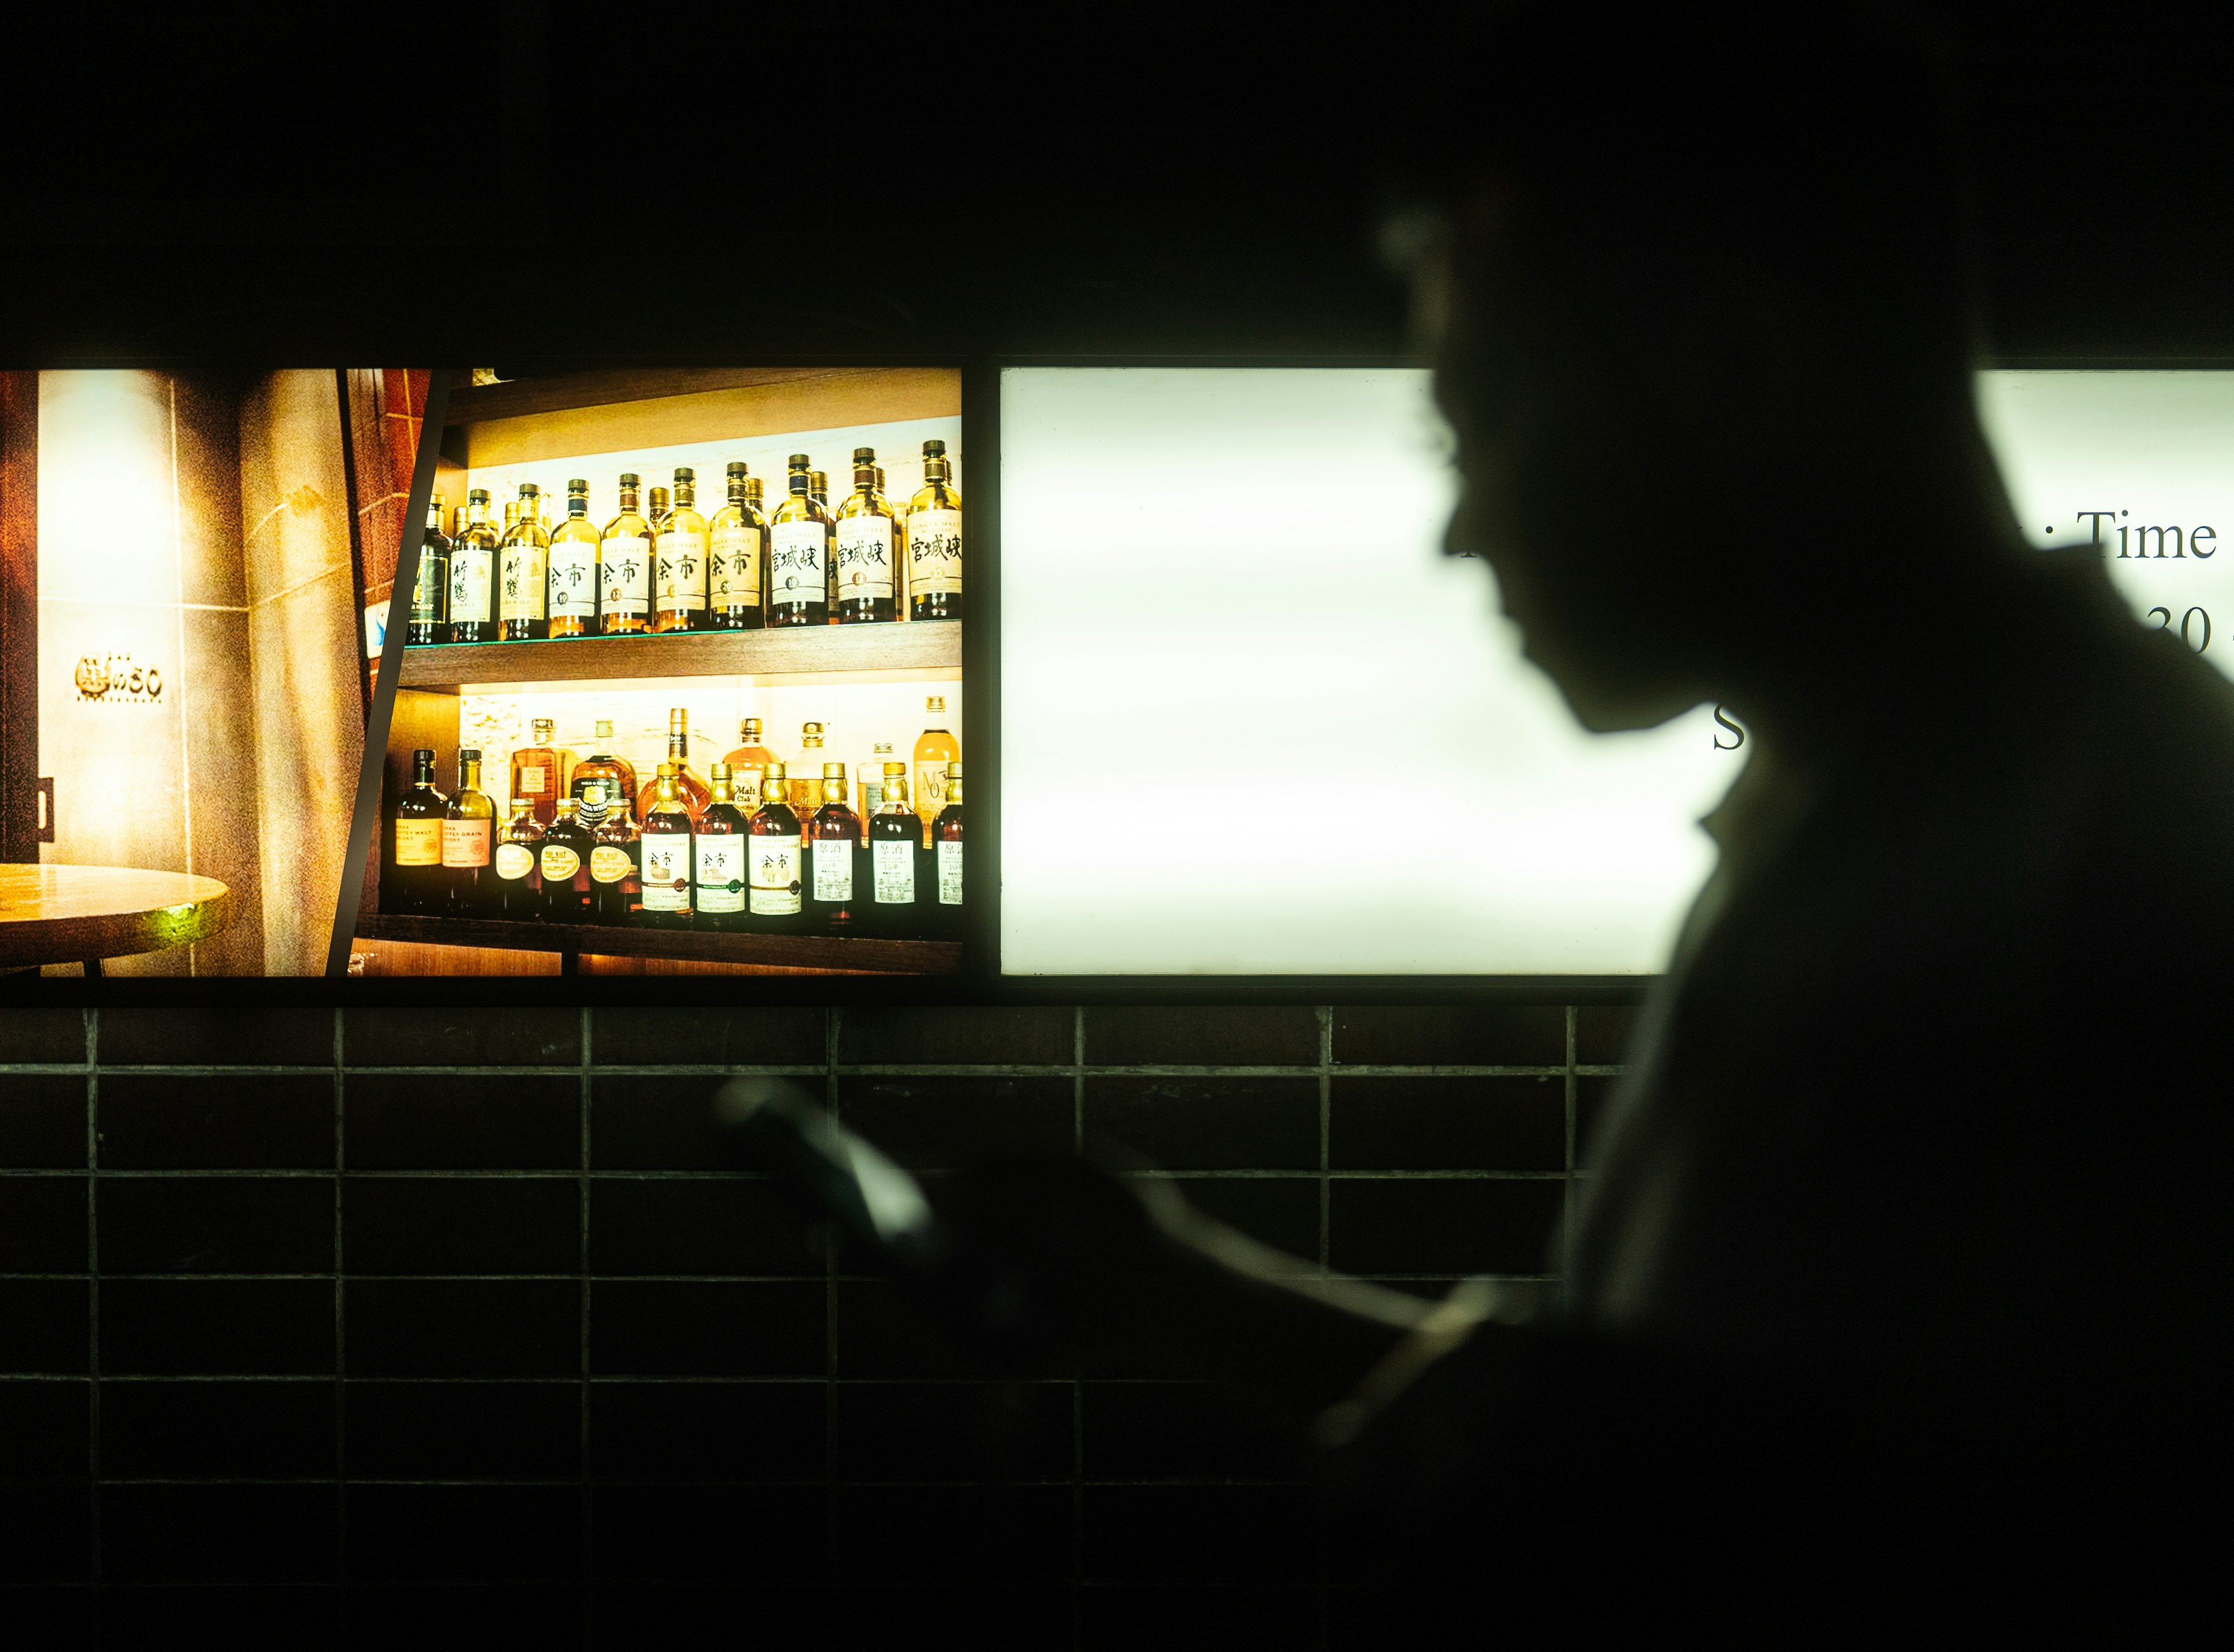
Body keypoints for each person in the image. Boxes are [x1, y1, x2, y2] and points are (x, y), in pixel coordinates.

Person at [927, 3, 2230, 1631]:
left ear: (1736, 360)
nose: (1462, 527)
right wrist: (1182, 1292)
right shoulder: (1911, 813)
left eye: (1488, 415)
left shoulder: (2108, 879)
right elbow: (1686, 1462)